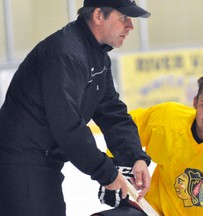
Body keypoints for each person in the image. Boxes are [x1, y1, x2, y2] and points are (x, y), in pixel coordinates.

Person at [0, 0, 152, 215]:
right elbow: (67, 125)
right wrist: (107, 173)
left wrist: (134, 157)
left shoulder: (97, 56)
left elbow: (112, 112)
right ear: (99, 16)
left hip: (42, 160)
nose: (130, 27)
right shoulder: (65, 53)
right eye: (124, 18)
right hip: (19, 161)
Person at [96, 72, 203, 216]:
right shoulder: (166, 119)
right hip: (151, 211)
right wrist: (117, 167)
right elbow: (122, 130)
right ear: (195, 102)